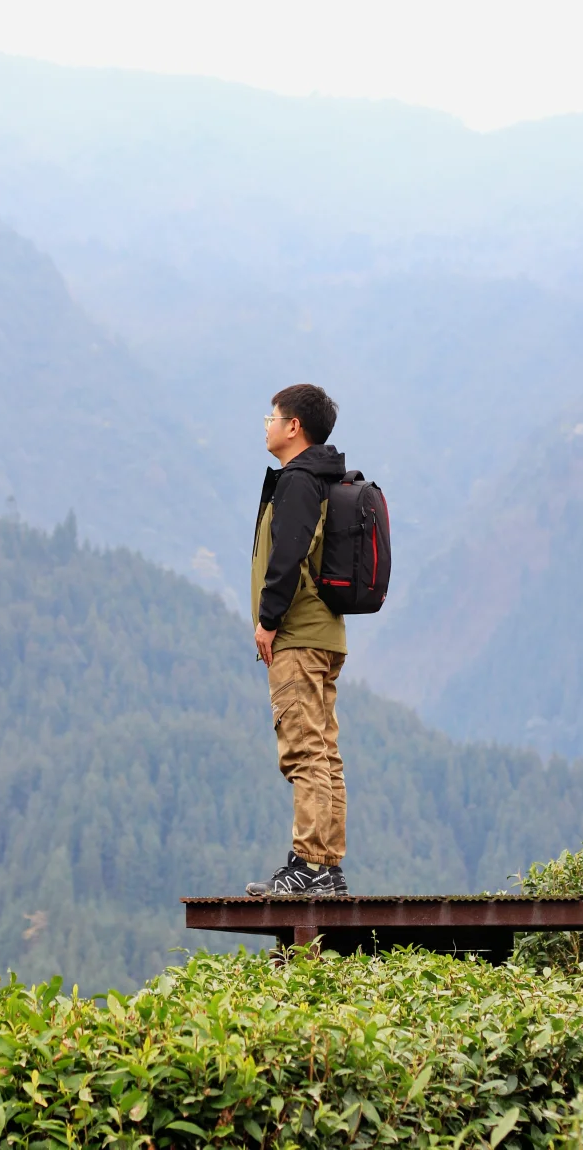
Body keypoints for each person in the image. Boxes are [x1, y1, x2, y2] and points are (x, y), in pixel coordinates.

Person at [246, 383, 350, 897]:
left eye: (272, 416)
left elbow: (287, 555)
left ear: (294, 427)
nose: (266, 424)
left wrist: (268, 620)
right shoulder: (323, 478)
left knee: (304, 752)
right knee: (324, 751)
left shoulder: (298, 481)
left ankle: (308, 864)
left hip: (299, 635)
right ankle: (326, 867)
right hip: (326, 635)